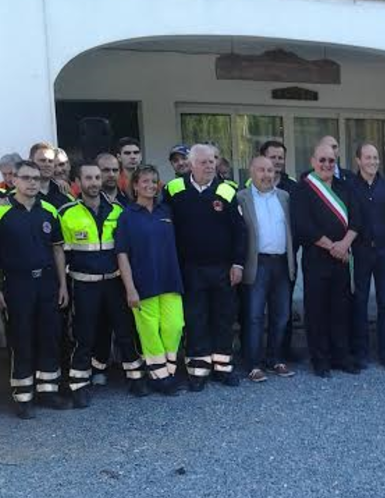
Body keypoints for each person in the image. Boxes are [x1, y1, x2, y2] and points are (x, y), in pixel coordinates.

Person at [59, 161, 146, 406]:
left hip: (115, 283)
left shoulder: (118, 210)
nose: (95, 183)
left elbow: (127, 249)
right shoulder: (66, 213)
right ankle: (79, 384)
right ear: (77, 182)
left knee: (125, 331)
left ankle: (136, 377)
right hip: (84, 285)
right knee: (83, 336)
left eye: (97, 178)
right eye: (89, 178)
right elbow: (60, 253)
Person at [164, 143, 247, 390]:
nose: (209, 165)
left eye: (212, 161)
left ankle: (223, 368)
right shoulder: (174, 189)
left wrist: (238, 264)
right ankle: (198, 372)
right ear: (191, 165)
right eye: (204, 162)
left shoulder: (228, 190)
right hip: (190, 269)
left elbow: (240, 232)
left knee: (223, 318)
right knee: (195, 318)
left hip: (222, 268)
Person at [0, 160, 70, 418]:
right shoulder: (0, 212)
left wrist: (63, 284)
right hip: (16, 284)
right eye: (26, 177)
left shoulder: (49, 209)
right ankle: (23, 396)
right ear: (13, 180)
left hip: (48, 282)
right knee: (21, 338)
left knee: (49, 335)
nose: (31, 183)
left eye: (36, 178)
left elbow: (58, 249)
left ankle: (48, 391)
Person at [291, 142, 361, 378]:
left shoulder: (345, 187)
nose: (327, 165)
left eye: (331, 161)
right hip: (316, 259)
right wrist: (332, 246)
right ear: (312, 161)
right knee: (317, 311)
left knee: (341, 310)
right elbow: (303, 225)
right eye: (322, 160)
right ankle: (320, 360)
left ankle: (341, 356)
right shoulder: (303, 189)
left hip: (342, 259)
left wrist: (344, 245)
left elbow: (357, 221)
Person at [115, 165, 185, 395]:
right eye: (144, 181)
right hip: (143, 283)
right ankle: (159, 376)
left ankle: (170, 370)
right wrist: (130, 289)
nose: (150, 186)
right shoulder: (127, 216)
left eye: (154, 181)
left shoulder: (167, 211)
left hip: (170, 280)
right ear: (135, 185)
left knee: (174, 326)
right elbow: (122, 254)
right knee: (149, 331)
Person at [237, 155, 296, 382]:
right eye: (261, 170)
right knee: (254, 316)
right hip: (257, 263)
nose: (266, 175)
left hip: (281, 262)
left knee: (281, 315)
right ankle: (253, 364)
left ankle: (275, 359)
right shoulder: (241, 198)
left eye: (270, 170)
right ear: (251, 172)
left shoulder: (285, 197)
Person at [350, 142, 385, 369]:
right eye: (368, 157)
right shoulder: (350, 186)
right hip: (360, 253)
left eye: (375, 158)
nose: (373, 161)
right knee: (359, 303)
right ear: (358, 160)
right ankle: (361, 352)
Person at [259, 139, 299, 360]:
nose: (277, 161)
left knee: (283, 309)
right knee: (256, 311)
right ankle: (255, 354)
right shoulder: (250, 186)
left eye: (280, 157)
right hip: (259, 260)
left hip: (286, 258)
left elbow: (298, 222)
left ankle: (283, 351)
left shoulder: (292, 187)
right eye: (272, 157)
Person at [30, 141, 72, 209]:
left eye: (50, 161)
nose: (47, 164)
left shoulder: (64, 191)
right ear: (30, 162)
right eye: (42, 160)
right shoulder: (19, 194)